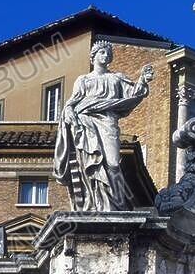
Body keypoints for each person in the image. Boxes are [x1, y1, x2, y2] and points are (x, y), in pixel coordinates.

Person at [54, 40, 153, 211]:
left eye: (108, 53)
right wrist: (69, 112)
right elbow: (72, 102)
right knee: (91, 164)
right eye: (102, 52)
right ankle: (94, 204)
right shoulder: (83, 80)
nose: (105, 55)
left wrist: (143, 80)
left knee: (113, 163)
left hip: (108, 121)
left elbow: (133, 94)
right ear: (93, 57)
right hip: (86, 122)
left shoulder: (116, 78)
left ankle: (114, 204)